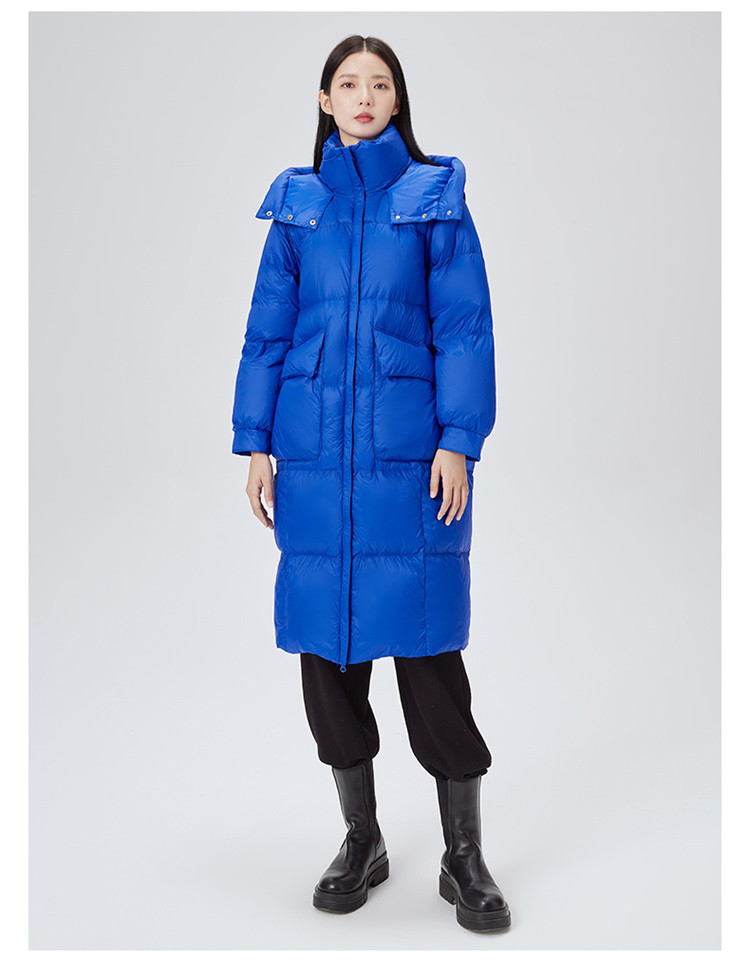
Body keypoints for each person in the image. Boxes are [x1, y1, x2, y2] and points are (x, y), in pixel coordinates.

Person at [230, 34, 510, 934]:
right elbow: (267, 331)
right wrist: (255, 442)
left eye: (379, 83)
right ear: (325, 100)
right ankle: (363, 839)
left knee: (430, 657)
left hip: (409, 465)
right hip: (314, 466)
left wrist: (459, 439)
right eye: (347, 83)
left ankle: (463, 855)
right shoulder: (299, 207)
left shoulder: (433, 199)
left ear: (397, 100)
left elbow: (464, 326)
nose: (363, 96)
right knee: (328, 661)